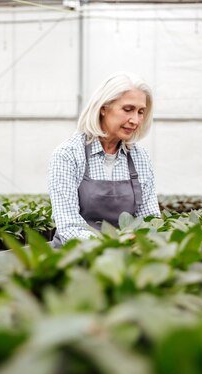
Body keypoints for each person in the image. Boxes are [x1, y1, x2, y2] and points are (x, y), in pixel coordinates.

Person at [48, 72, 160, 248]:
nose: (135, 120)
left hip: (125, 257)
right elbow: (68, 227)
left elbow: (150, 218)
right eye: (128, 109)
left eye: (141, 112)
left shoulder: (140, 157)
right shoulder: (68, 154)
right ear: (103, 108)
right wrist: (114, 246)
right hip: (73, 258)